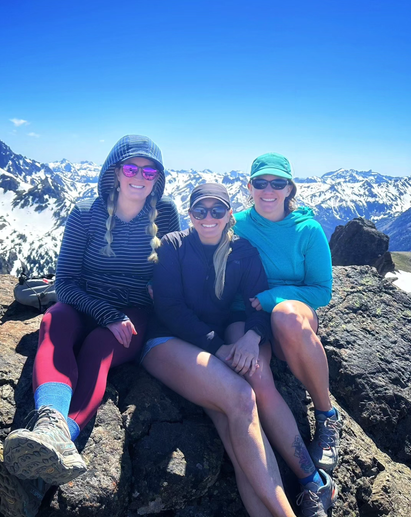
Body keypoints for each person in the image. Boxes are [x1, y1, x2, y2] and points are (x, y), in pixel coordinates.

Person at [0, 135, 180, 517]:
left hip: (134, 313)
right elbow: (66, 283)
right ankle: (52, 431)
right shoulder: (86, 211)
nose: (140, 176)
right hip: (89, 305)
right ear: (115, 172)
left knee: (98, 349)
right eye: (131, 168)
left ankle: (49, 447)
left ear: (158, 178)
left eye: (149, 170)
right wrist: (106, 312)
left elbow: (172, 268)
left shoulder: (165, 211)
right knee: (53, 320)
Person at [143, 183, 299, 517]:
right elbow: (169, 309)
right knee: (243, 397)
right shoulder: (173, 246)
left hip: (211, 349)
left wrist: (251, 337)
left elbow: (258, 305)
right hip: (166, 343)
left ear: (230, 215)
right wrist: (219, 346)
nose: (208, 217)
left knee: (233, 428)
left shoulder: (243, 251)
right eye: (200, 210)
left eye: (217, 210)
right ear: (190, 215)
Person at [226, 152, 341, 516]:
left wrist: (273, 297)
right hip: (248, 321)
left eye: (278, 183)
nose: (269, 190)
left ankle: (326, 415)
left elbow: (322, 290)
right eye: (260, 182)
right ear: (250, 187)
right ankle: (311, 482)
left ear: (290, 188)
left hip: (291, 315)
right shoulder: (237, 223)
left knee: (287, 318)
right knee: (255, 379)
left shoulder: (308, 230)